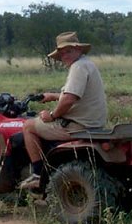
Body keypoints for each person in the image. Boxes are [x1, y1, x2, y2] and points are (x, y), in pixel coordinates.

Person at [20, 31, 107, 190]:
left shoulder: (78, 67)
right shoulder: (87, 64)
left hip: (78, 126)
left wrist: (52, 115)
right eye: (62, 53)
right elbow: (75, 94)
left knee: (28, 126)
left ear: (78, 49)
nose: (64, 56)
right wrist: (53, 95)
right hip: (93, 123)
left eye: (68, 51)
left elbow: (69, 99)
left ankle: (38, 174)